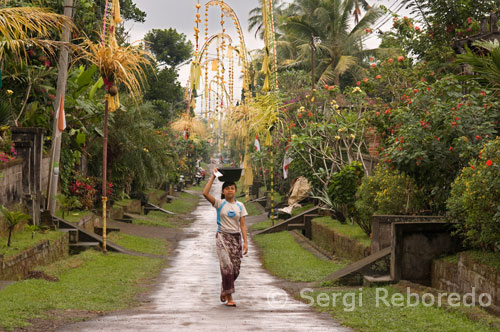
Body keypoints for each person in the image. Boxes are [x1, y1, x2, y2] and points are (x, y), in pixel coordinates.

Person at [202, 168, 248, 307]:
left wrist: (245, 242)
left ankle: (224, 288)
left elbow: (243, 225)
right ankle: (229, 297)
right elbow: (205, 193)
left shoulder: (240, 206)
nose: (230, 190)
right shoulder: (219, 203)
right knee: (227, 266)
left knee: (235, 269)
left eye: (232, 188)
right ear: (223, 191)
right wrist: (213, 177)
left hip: (236, 239)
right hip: (222, 237)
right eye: (227, 188)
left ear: (235, 191)